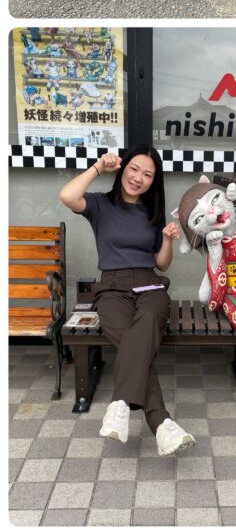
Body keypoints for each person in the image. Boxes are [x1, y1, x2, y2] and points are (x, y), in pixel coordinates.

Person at [59, 146, 195, 456]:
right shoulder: (100, 205)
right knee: (136, 343)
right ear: (123, 170)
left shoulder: (152, 211)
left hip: (150, 285)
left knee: (145, 322)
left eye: (148, 174)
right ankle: (162, 425)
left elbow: (161, 264)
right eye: (134, 169)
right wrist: (97, 167)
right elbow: (67, 196)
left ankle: (120, 403)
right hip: (112, 288)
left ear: (153, 181)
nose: (139, 178)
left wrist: (168, 240)